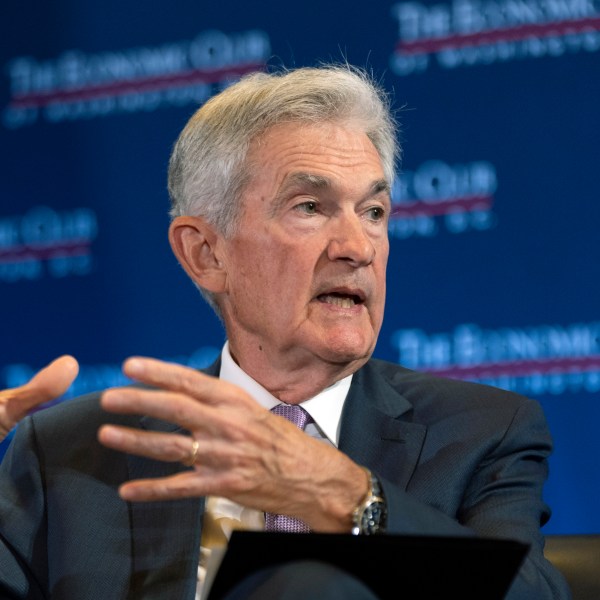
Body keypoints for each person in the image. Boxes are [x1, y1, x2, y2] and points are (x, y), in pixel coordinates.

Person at [0, 64, 571, 600]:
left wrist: (349, 499)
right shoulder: (70, 452)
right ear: (206, 254)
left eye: (373, 211)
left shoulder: (481, 434)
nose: (357, 247)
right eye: (310, 206)